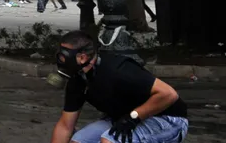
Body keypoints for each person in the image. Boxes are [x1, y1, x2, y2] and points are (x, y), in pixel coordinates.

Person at [50, 30, 188, 143]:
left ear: (82, 58)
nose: (60, 61)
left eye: (63, 57)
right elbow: (65, 126)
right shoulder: (78, 79)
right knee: (79, 141)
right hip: (122, 119)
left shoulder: (118, 70)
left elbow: (169, 94)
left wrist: (133, 117)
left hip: (167, 119)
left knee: (109, 141)